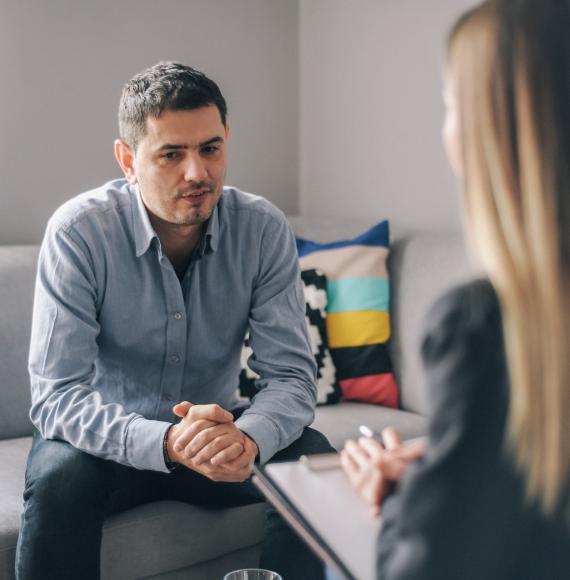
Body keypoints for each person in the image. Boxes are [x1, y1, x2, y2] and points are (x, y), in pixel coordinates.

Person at [16, 61, 333, 580]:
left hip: (217, 446)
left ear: (227, 138)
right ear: (128, 160)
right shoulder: (78, 233)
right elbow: (56, 396)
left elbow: (292, 378)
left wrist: (249, 438)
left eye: (210, 148)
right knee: (58, 475)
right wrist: (165, 441)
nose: (197, 174)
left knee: (315, 462)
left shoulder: (261, 230)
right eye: (171, 154)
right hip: (108, 446)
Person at [341, 0, 570, 578]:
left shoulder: (484, 323)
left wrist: (398, 496)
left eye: (448, 105)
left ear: (489, 128)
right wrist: (447, 463)